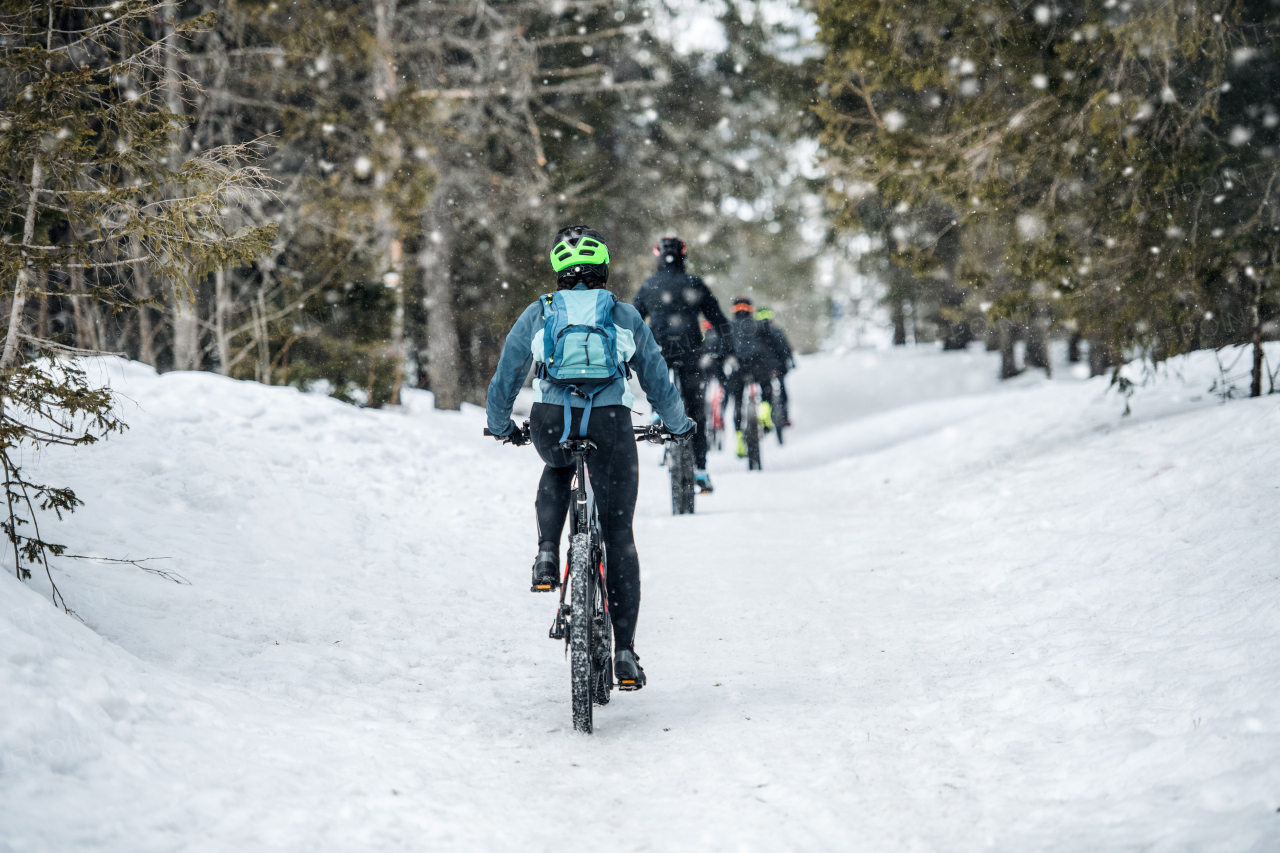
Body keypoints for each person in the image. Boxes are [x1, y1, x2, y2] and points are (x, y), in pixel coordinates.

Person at [486, 225, 693, 691]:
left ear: (559, 273)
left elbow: (507, 374)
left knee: (556, 465)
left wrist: (501, 424)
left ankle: (545, 554)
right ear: (603, 269)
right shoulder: (622, 314)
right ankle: (623, 653)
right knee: (619, 535)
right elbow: (657, 379)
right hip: (610, 425)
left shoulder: (538, 314)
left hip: (550, 421)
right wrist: (678, 425)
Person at [633, 236, 733, 493]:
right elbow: (719, 320)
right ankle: (700, 470)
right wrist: (728, 348)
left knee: (656, 383)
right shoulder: (695, 284)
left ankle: (658, 412)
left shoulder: (649, 285)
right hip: (690, 352)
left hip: (658, 351)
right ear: (683, 257)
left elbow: (633, 320)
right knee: (696, 411)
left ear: (658, 257)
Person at [724, 296, 776, 457]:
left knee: (738, 402)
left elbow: (722, 349)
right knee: (766, 387)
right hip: (758, 365)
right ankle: (765, 411)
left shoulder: (728, 327)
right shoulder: (759, 325)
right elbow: (772, 344)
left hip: (738, 367)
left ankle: (739, 438)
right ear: (750, 310)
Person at [754, 306, 795, 427]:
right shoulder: (777, 331)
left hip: (762, 369)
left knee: (765, 392)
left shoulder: (755, 334)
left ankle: (765, 418)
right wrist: (789, 362)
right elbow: (785, 349)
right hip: (778, 367)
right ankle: (785, 418)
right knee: (782, 391)